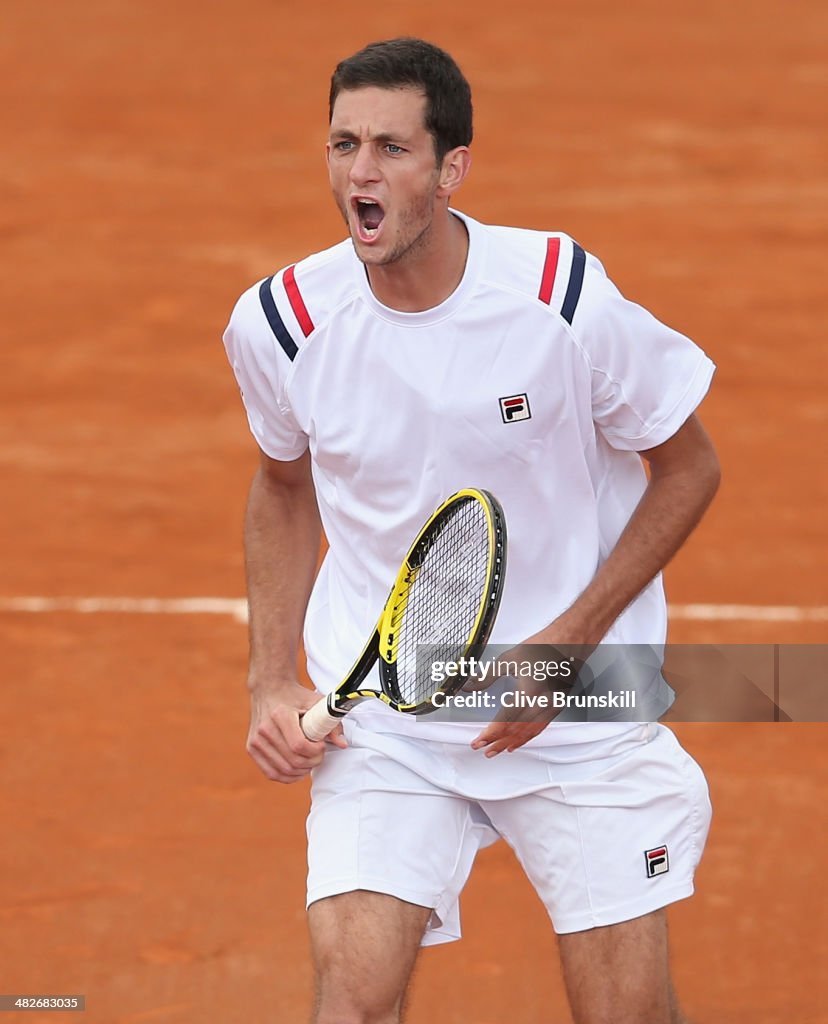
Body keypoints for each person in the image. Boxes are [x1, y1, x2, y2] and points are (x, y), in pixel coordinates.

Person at [222, 36, 721, 1024]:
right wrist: (269, 674)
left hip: (580, 713)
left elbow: (689, 465)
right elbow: (282, 487)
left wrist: (569, 643)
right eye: (343, 145)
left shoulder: (559, 300)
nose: (359, 175)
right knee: (351, 1003)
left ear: (452, 168)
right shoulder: (283, 322)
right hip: (390, 721)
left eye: (393, 149)